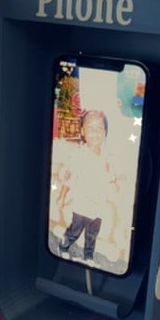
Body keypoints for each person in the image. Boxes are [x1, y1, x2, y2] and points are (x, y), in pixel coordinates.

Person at [56, 110, 116, 264]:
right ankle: (63, 247)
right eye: (90, 127)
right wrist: (61, 197)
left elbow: (110, 176)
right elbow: (69, 179)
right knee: (75, 231)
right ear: (82, 131)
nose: (95, 132)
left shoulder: (107, 157)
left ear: (105, 132)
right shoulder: (79, 156)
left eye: (99, 128)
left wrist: (113, 184)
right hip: (81, 205)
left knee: (92, 235)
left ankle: (88, 256)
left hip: (98, 206)